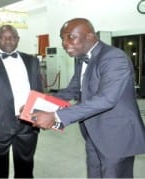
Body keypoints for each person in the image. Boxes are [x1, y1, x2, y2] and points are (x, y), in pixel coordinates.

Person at [31, 18, 145, 178]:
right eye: (62, 38)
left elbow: (106, 99)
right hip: (93, 133)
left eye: (71, 37)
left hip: (116, 137)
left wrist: (56, 116)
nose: (64, 43)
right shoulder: (81, 58)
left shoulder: (113, 57)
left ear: (91, 37)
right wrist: (37, 105)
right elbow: (72, 90)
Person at [0, 25, 43, 178]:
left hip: (27, 122)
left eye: (12, 37)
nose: (8, 40)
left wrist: (41, 113)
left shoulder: (32, 61)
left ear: (18, 39)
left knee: (26, 166)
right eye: (3, 37)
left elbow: (38, 90)